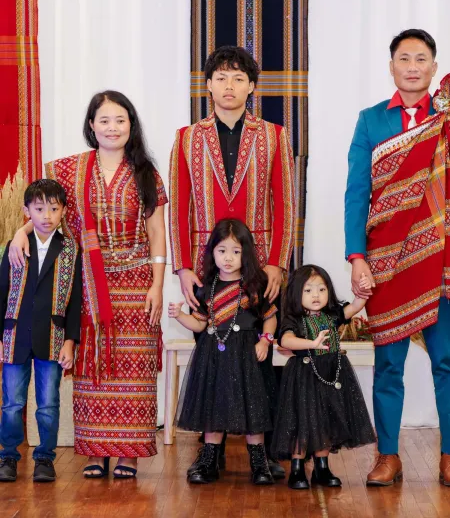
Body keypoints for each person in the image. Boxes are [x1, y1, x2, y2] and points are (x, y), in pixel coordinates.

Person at [8, 91, 167, 479]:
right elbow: (47, 209)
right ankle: (95, 452)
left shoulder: (146, 173)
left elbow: (157, 233)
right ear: (91, 125)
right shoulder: (68, 171)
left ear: (131, 125)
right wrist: (20, 232)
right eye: (104, 120)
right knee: (91, 367)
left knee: (135, 370)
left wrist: (158, 286)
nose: (112, 128)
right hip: (86, 286)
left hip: (136, 284)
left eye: (120, 120)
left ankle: (129, 454)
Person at [169, 45, 296, 478]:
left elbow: (285, 204)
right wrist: (183, 266)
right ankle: (211, 453)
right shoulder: (187, 138)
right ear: (207, 85)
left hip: (257, 266)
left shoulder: (274, 135)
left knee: (256, 355)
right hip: (208, 265)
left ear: (252, 87)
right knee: (212, 356)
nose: (229, 86)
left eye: (239, 78)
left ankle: (261, 453)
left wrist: (277, 262)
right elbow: (179, 207)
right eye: (221, 77)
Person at [345, 30, 450, 486]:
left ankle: (449, 454)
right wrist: (357, 257)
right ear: (391, 67)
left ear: (433, 67)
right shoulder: (371, 120)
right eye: (404, 58)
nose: (412, 67)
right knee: (388, 365)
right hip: (386, 263)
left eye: (420, 59)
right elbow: (357, 194)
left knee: (447, 362)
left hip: (440, 259)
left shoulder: (446, 119)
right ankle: (387, 455)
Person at [168, 218, 278, 485]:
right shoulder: (206, 289)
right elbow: (199, 324)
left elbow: (270, 317)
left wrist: (265, 341)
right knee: (213, 408)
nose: (228, 258)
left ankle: (259, 463)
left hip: (247, 358)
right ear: (212, 252)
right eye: (222, 251)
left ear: (246, 253)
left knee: (253, 410)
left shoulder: (255, 287)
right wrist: (180, 316)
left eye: (236, 251)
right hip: (214, 358)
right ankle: (209, 460)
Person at [0, 180, 82, 482]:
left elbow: (75, 300)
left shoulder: (71, 250)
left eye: (54, 208)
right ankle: (8, 456)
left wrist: (70, 341)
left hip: (52, 337)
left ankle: (45, 458)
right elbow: (2, 292)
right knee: (12, 403)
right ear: (27, 211)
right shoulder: (15, 246)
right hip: (15, 336)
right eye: (39, 209)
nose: (47, 215)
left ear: (63, 211)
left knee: (48, 404)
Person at [271, 265, 376, 489]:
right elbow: (286, 340)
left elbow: (356, 305)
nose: (316, 295)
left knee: (327, 420)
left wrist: (363, 288)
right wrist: (311, 343)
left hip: (331, 373)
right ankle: (297, 469)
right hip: (304, 377)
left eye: (321, 289)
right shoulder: (293, 320)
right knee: (301, 422)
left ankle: (322, 467)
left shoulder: (333, 315)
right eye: (308, 290)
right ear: (296, 293)